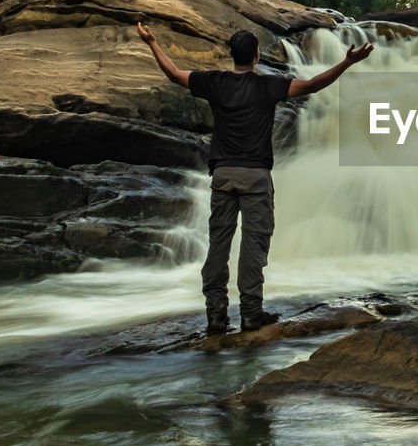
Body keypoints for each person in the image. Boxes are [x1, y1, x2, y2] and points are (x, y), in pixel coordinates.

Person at [137, 22, 373, 335]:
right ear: (257, 55)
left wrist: (153, 43)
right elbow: (313, 85)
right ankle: (250, 313)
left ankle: (216, 316)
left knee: (218, 245)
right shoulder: (268, 86)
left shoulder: (215, 82)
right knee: (253, 246)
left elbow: (174, 75)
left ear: (231, 55)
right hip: (256, 177)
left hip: (223, 174)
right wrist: (346, 62)